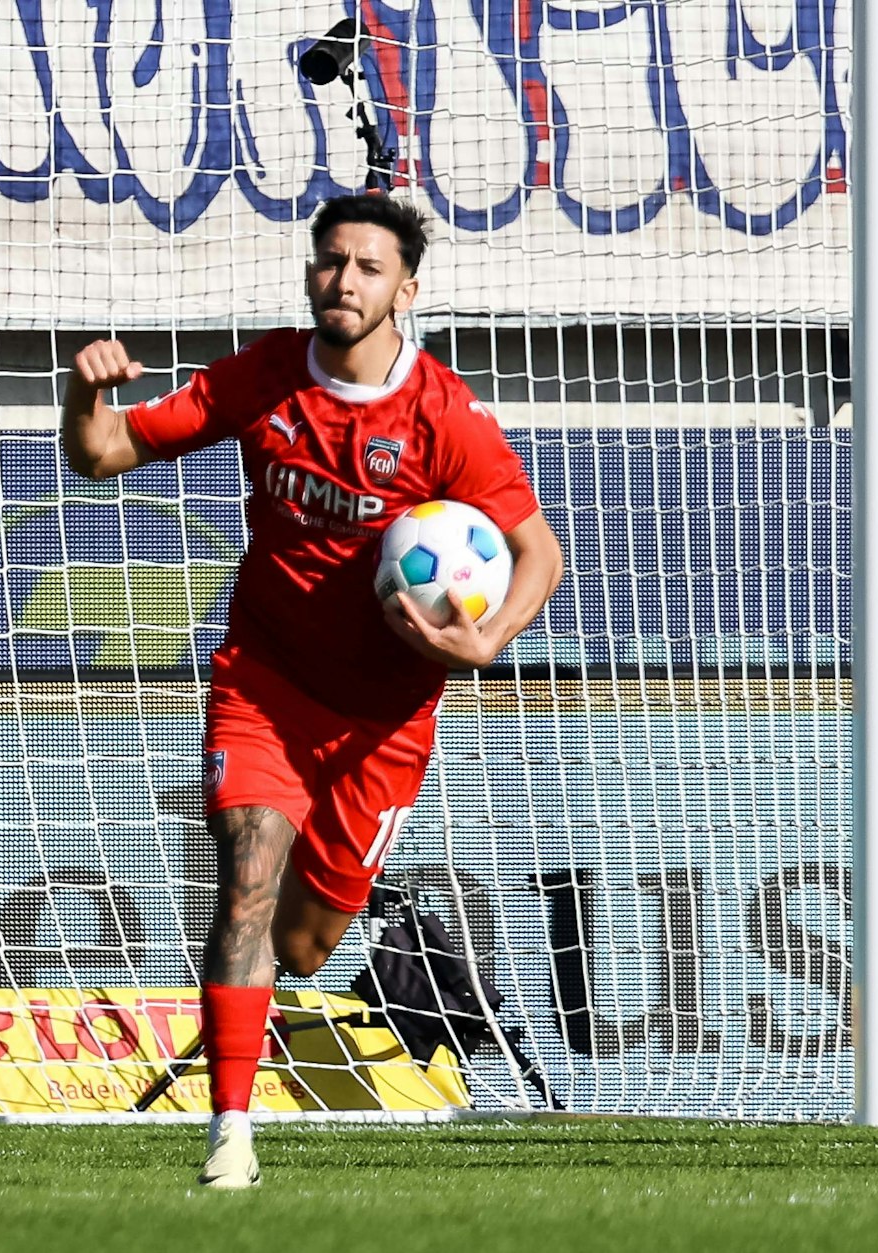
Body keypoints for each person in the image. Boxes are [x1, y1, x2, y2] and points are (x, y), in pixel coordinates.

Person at [61, 193, 563, 1189]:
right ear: (308, 271)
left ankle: (257, 1024)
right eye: (330, 261)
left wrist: (483, 639)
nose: (343, 280)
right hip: (266, 684)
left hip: (384, 722)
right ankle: (230, 1134)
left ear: (404, 291)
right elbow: (101, 453)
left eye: (367, 268)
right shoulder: (264, 376)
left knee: (298, 944)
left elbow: (535, 550)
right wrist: (85, 396)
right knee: (245, 872)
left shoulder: (445, 418)